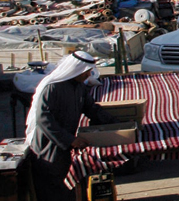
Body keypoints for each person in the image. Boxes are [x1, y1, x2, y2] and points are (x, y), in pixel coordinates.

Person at [24, 51, 116, 201]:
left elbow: (91, 109)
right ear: (76, 70)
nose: (88, 75)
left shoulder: (79, 88)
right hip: (49, 146)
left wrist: (115, 123)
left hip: (66, 144)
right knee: (53, 187)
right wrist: (70, 140)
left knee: (69, 185)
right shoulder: (53, 87)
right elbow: (44, 119)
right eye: (86, 72)